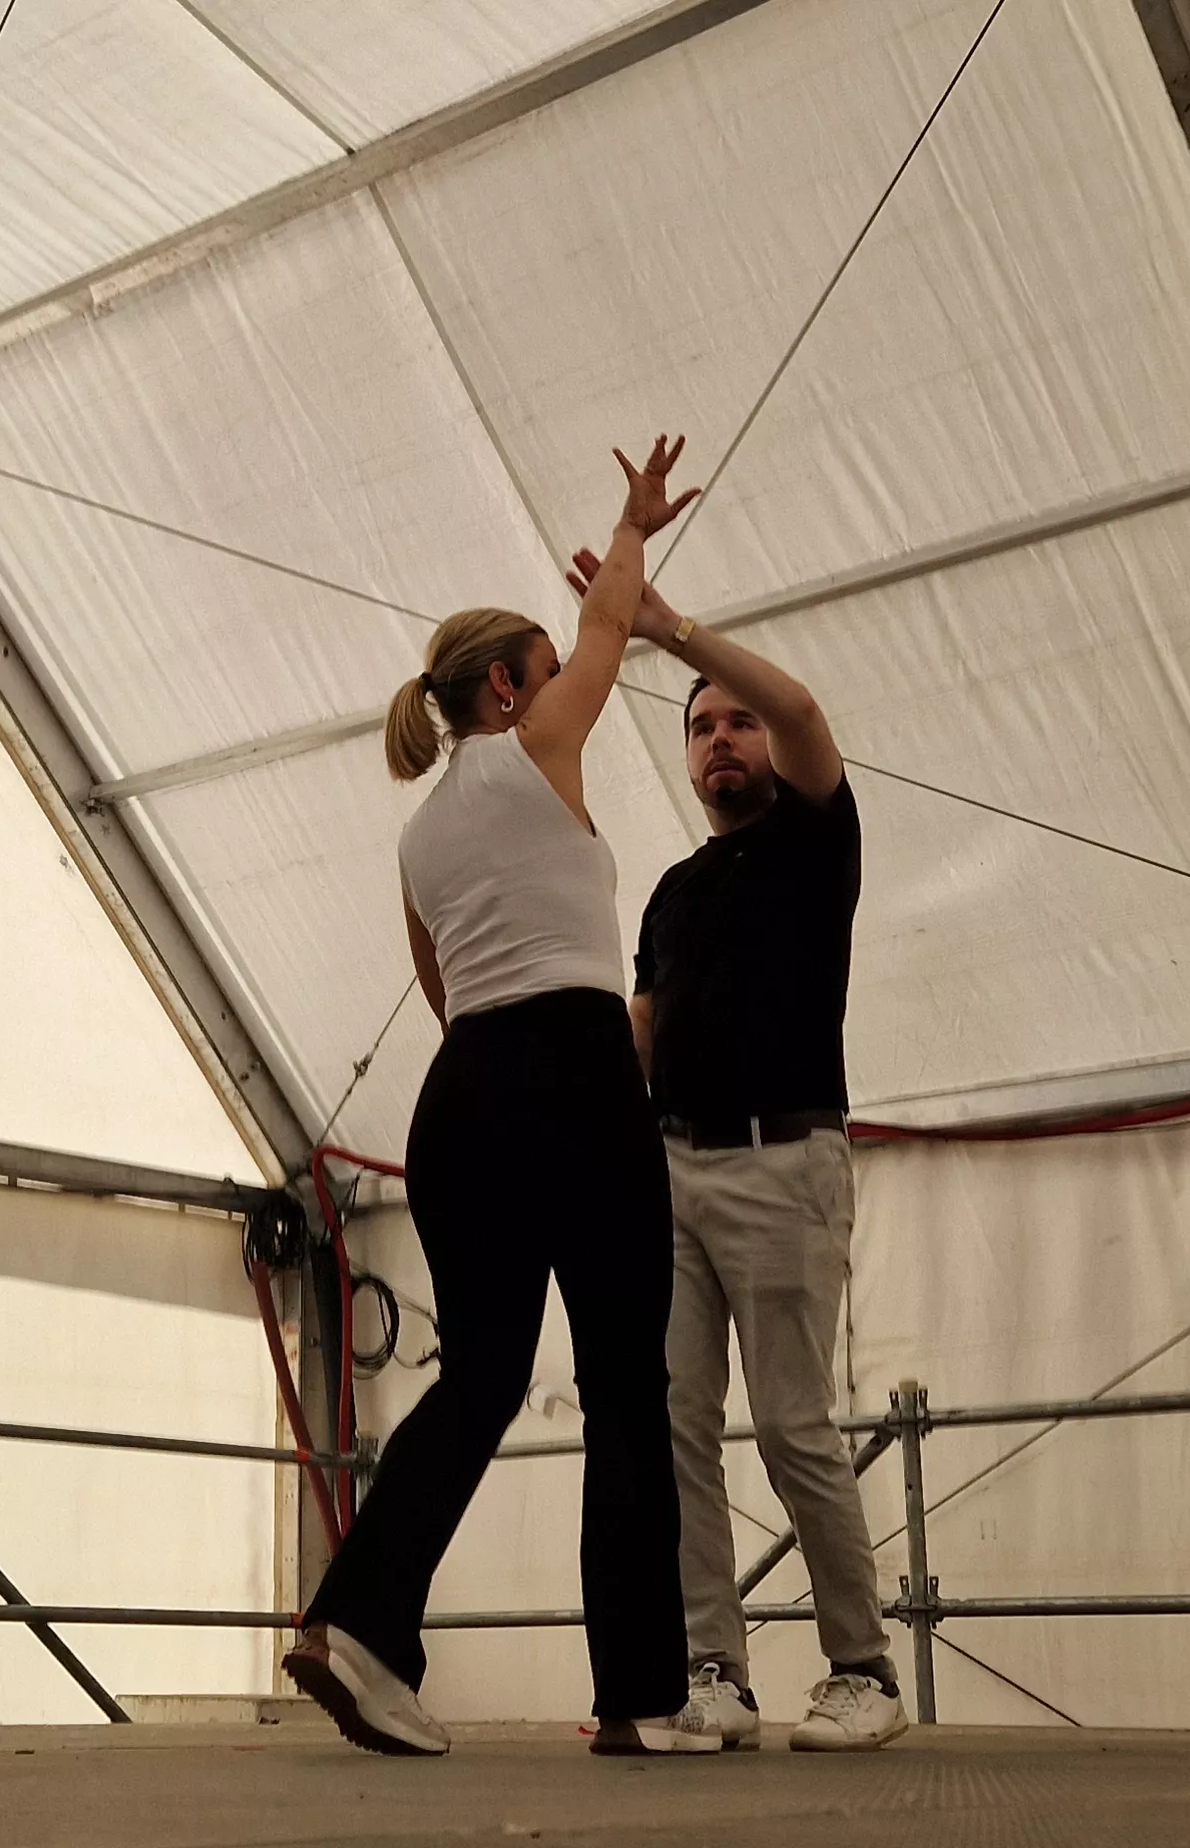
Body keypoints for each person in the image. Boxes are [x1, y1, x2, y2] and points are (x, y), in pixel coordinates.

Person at [284, 437, 721, 1759]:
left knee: (478, 1374)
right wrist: (633, 523)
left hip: (463, 1089)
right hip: (571, 1072)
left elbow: (442, 992)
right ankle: (638, 1698)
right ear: (504, 688)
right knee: (625, 1386)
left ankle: (354, 1622)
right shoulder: (535, 744)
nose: (563, 686)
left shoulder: (419, 837)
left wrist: (511, 1078)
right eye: (541, 675)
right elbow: (604, 624)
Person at [570, 545, 909, 1753]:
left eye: (739, 723)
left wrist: (667, 631)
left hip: (784, 1162)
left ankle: (861, 1669)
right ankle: (712, 1667)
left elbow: (807, 711)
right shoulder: (671, 889)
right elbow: (644, 1031)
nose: (723, 739)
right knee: (674, 1424)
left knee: (791, 1424)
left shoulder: (820, 841)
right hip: (672, 1170)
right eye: (702, 729)